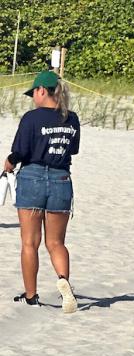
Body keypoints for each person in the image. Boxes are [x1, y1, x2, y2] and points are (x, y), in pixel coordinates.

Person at [4, 70, 80, 314]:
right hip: (61, 179)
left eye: (34, 93)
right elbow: (73, 150)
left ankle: (30, 295)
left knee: (30, 242)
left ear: (41, 91)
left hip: (33, 177)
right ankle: (64, 282)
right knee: (56, 242)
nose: (33, 98)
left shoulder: (32, 118)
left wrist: (8, 162)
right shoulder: (72, 119)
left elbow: (21, 152)